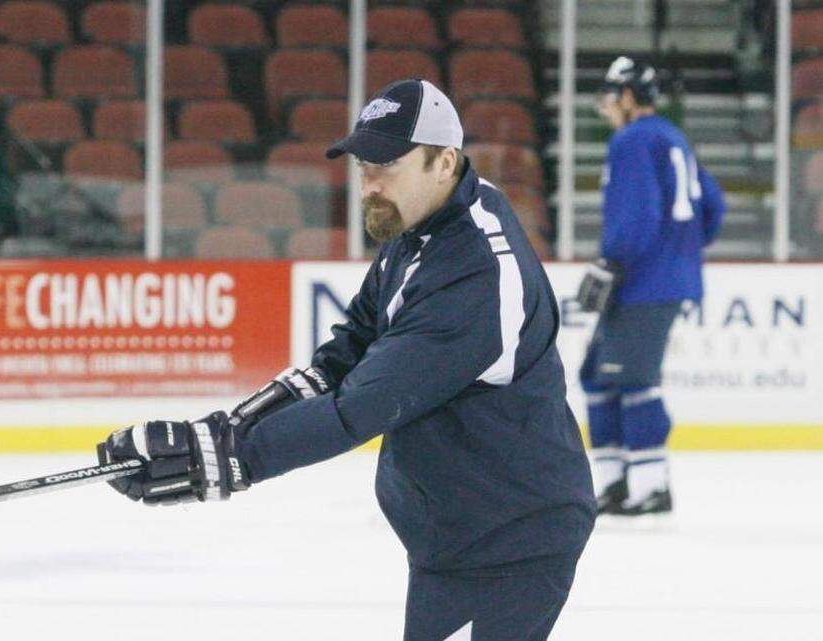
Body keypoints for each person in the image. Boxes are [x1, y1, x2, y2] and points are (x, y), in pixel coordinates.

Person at [96, 79, 596, 641]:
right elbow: (349, 350)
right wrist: (223, 431)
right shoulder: (427, 223)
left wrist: (231, 460)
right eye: (363, 165)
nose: (369, 184)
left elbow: (361, 406)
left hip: (509, 544)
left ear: (444, 161)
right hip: (462, 529)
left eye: (387, 166)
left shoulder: (475, 277)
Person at [578, 56, 725, 517]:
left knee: (632, 379)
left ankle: (649, 485)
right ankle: (618, 482)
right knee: (597, 375)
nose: (605, 104)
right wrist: (682, 253)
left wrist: (612, 261)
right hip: (661, 276)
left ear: (626, 95)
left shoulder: (632, 140)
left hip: (642, 281)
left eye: (610, 94)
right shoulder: (671, 136)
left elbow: (636, 216)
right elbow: (713, 205)